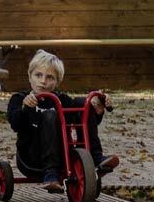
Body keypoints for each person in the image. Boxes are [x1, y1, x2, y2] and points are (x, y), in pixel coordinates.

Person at [6, 50, 115, 181]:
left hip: (63, 157)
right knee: (50, 115)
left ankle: (95, 156)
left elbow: (83, 122)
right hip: (32, 158)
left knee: (83, 103)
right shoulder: (20, 99)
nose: (43, 81)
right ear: (30, 77)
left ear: (57, 81)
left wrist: (96, 108)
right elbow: (15, 124)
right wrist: (25, 108)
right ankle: (50, 172)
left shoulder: (62, 100)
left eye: (50, 77)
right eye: (38, 75)